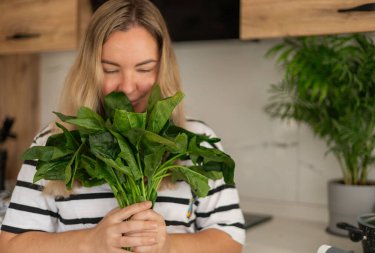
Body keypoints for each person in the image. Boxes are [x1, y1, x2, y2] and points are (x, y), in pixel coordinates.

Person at [0, 0, 246, 252]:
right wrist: (90, 241)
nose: (127, 87)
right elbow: (11, 245)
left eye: (145, 68)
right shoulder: (53, 143)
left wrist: (169, 246)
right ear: (90, 69)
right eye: (110, 69)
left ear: (163, 67)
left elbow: (231, 241)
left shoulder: (197, 138)